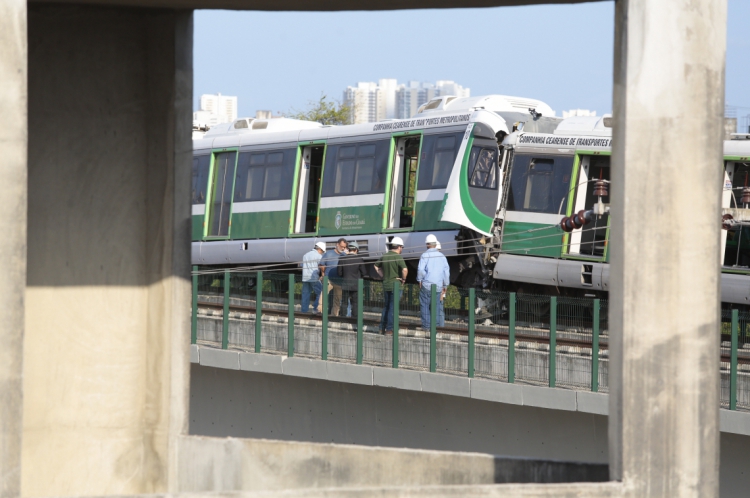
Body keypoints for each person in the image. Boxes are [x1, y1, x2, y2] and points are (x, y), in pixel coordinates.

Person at [374, 236, 407, 335]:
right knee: (393, 308)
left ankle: (381, 328)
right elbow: (405, 269)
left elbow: (376, 266)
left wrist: (383, 275)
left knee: (386, 307)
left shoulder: (385, 256)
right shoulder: (398, 257)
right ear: (399, 247)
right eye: (402, 247)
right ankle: (390, 329)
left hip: (386, 284)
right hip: (396, 286)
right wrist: (403, 279)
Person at [417, 234, 450, 330]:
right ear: (435, 244)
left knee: (424, 305)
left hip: (426, 285)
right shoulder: (442, 257)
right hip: (438, 286)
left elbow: (420, 270)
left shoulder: (424, 255)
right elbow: (446, 273)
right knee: (436, 306)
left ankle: (426, 327)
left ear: (427, 244)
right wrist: (445, 285)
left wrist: (420, 280)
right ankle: (435, 328)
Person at [337, 241, 368, 317]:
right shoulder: (359, 259)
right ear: (356, 250)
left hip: (345, 284)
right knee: (355, 302)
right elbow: (364, 272)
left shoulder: (342, 259)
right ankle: (355, 317)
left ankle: (343, 317)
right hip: (356, 285)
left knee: (344, 302)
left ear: (349, 249)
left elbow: (339, 273)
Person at [319, 237, 348, 316]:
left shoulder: (344, 255)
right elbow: (321, 265)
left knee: (337, 299)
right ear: (337, 245)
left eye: (344, 247)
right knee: (324, 295)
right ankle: (321, 312)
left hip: (339, 280)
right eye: (342, 246)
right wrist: (323, 274)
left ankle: (334, 315)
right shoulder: (328, 254)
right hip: (328, 279)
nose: (343, 248)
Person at [300, 241, 326, 313]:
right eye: (322, 251)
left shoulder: (305, 255)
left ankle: (304, 311)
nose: (322, 253)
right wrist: (321, 275)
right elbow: (321, 267)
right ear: (320, 249)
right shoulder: (319, 256)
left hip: (305, 278)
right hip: (314, 278)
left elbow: (301, 266)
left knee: (305, 294)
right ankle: (315, 308)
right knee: (321, 292)